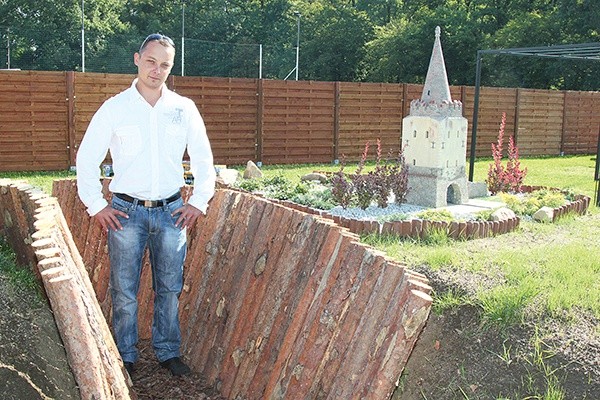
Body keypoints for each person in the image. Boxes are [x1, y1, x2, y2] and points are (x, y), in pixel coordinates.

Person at [76, 33, 216, 377]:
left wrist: (198, 202)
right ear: (137, 58)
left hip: (172, 213)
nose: (157, 70)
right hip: (125, 213)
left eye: (165, 64)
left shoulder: (183, 109)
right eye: (151, 61)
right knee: (124, 290)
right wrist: (96, 205)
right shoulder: (114, 108)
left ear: (171, 67)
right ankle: (126, 356)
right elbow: (86, 157)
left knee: (169, 288)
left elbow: (202, 157)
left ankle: (168, 352)